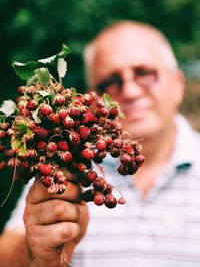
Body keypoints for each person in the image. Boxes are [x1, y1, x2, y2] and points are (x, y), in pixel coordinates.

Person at [1, 20, 200, 267]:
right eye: (110, 82)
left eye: (145, 74)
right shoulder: (64, 167)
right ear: (91, 98)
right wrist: (34, 252)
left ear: (177, 85)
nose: (129, 91)